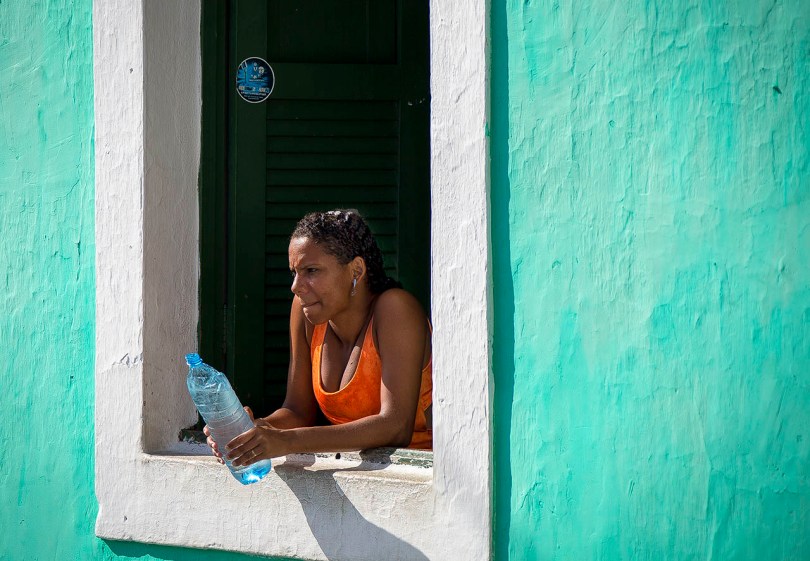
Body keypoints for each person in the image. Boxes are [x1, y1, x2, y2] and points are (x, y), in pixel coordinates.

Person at [205, 209, 433, 468]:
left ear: (356, 270)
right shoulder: (304, 312)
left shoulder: (395, 309)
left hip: (414, 477)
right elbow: (297, 412)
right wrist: (254, 430)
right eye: (295, 272)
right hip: (351, 476)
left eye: (311, 270)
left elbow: (396, 426)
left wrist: (286, 441)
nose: (296, 286)